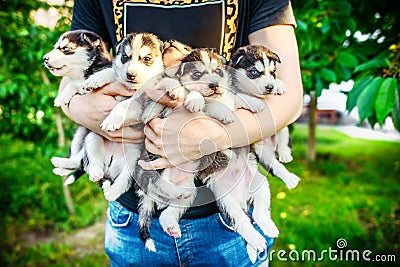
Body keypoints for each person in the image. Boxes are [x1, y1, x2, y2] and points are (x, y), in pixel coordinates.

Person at [60, 0, 303, 266]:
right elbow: (70, 74)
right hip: (132, 210)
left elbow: (289, 96)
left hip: (227, 214)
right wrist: (84, 107)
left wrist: (215, 135)